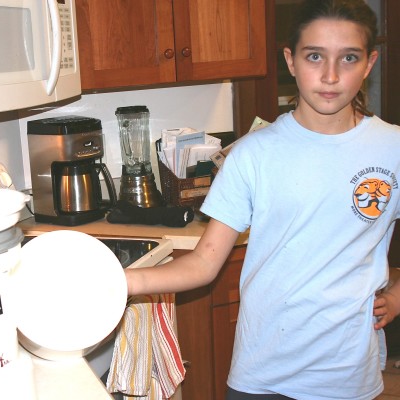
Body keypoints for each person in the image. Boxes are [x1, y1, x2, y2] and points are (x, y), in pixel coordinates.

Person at [125, 0, 400, 398]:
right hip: (264, 372)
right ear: (290, 61)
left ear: (369, 63)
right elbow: (203, 263)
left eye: (349, 58)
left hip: (348, 375)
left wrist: (397, 294)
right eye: (314, 56)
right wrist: (120, 282)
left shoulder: (391, 147)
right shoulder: (253, 155)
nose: (330, 75)